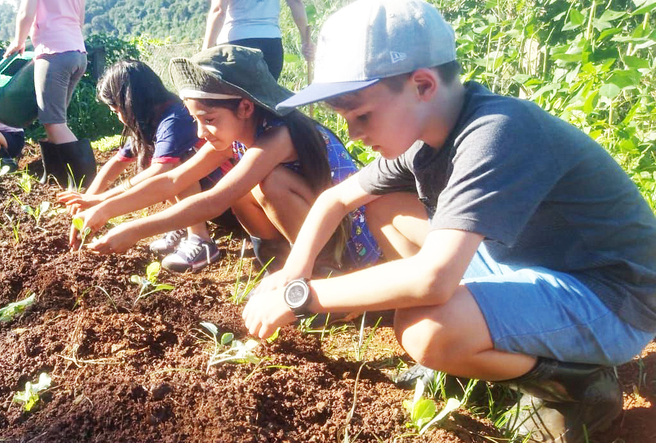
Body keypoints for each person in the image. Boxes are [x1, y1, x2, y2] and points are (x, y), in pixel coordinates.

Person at [242, 0, 656, 443]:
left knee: (425, 330)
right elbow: (334, 201)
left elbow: (433, 280)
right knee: (383, 205)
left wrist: (303, 296)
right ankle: (480, 347)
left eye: (361, 115)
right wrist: (292, 271)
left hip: (614, 298)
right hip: (530, 264)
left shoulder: (496, 131)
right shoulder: (428, 139)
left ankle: (577, 387)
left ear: (422, 85)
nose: (355, 134)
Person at [81, 45, 426, 277]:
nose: (201, 132)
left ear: (245, 107)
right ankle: (280, 259)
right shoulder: (237, 135)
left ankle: (323, 273)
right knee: (249, 185)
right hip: (312, 228)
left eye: (209, 119)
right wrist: (105, 209)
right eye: (195, 119)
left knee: (266, 183)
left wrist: (135, 229)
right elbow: (174, 180)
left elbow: (214, 200)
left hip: (352, 238)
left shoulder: (279, 136)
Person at [57, 61, 228, 271]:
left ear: (131, 102)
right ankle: (182, 223)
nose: (118, 117)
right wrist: (87, 200)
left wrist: (101, 201)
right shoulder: (149, 120)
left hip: (225, 196)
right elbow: (117, 162)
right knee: (162, 163)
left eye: (116, 109)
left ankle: (200, 239)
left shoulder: (176, 119)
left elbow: (163, 173)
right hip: (209, 196)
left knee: (175, 163)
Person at [4, 0, 95, 188]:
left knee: (53, 121)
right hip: (77, 53)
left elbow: (25, 12)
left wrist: (18, 41)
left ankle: (86, 183)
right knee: (54, 120)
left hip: (53, 53)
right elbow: (79, 20)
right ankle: (56, 178)